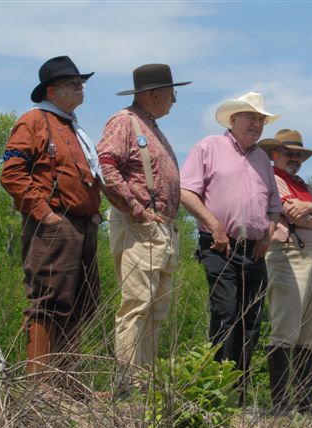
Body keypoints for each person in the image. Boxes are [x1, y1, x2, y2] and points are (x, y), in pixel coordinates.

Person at [0, 56, 102, 393]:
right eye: (72, 83)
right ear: (51, 90)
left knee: (82, 301)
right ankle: (39, 383)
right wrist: (44, 212)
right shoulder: (34, 121)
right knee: (48, 299)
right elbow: (12, 174)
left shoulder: (73, 127)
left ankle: (66, 382)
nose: (79, 86)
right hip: (54, 224)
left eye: (80, 82)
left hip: (84, 226)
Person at [179, 92, 282, 401]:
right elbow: (186, 192)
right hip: (220, 245)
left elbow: (274, 206)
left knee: (250, 322)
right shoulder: (208, 147)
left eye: (261, 119)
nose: (257, 124)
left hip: (254, 250)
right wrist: (214, 226)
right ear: (233, 119)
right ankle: (215, 392)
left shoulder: (263, 159)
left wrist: (268, 235)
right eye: (251, 117)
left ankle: (239, 393)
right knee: (225, 314)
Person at [96, 64, 191, 391]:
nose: (174, 100)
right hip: (141, 225)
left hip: (160, 228)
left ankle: (144, 385)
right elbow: (105, 166)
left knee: (155, 307)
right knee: (137, 304)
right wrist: (137, 209)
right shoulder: (125, 121)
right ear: (154, 94)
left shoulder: (149, 126)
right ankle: (127, 385)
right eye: (172, 93)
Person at [258, 129, 312, 415]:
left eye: (299, 155)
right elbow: (292, 212)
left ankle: (306, 402)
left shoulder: (304, 184)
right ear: (275, 154)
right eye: (290, 153)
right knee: (286, 329)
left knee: (310, 333)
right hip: (288, 255)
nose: (295, 159)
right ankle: (280, 403)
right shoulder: (273, 179)